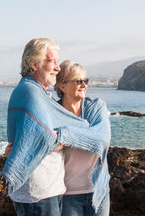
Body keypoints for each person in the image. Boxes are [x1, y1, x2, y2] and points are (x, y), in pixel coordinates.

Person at [1, 38, 110, 216]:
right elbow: (43, 138)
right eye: (52, 61)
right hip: (37, 194)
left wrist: (62, 136)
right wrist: (72, 133)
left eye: (86, 80)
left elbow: (98, 138)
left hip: (50, 191)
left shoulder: (41, 95)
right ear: (33, 64)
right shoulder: (30, 92)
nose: (57, 68)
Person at [54, 61, 111, 216]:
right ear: (62, 86)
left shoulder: (96, 107)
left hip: (98, 189)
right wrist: (87, 130)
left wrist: (64, 136)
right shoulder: (52, 112)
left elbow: (102, 140)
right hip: (67, 195)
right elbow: (44, 142)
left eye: (85, 80)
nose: (84, 85)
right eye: (78, 81)